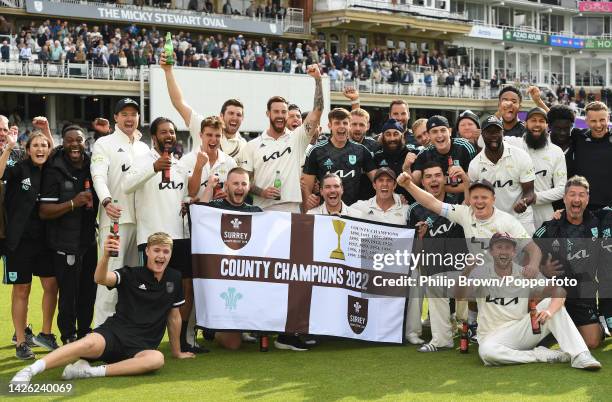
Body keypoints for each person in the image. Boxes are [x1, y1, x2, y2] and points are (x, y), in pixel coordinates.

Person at [10, 233, 195, 386]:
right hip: (113, 335)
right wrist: (105, 256)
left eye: (165, 251)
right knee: (84, 344)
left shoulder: (174, 277)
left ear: (170, 254)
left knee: (157, 360)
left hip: (142, 346)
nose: (161, 256)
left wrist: (177, 352)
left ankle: (90, 372)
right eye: (156, 250)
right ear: (147, 251)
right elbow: (100, 279)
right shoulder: (131, 273)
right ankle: (30, 370)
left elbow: (174, 317)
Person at [458, 232, 601, 370]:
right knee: (486, 352)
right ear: (491, 252)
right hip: (492, 337)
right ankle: (541, 355)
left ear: (514, 252)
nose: (503, 252)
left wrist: (549, 311)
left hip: (521, 331)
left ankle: (581, 355)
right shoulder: (480, 273)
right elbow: (460, 296)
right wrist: (466, 272)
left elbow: (560, 291)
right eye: (499, 247)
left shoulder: (525, 273)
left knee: (550, 305)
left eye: (508, 248)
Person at [122, 117, 203, 354]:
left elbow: (187, 194)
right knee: (148, 291)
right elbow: (127, 186)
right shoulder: (141, 160)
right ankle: (141, 340)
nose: (169, 136)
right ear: (154, 137)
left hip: (179, 235)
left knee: (185, 287)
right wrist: (153, 168)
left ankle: (183, 339)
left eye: (172, 132)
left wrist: (189, 201)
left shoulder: (178, 164)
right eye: (164, 132)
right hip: (151, 236)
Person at [91, 98, 150, 327]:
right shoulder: (104, 144)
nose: (129, 118)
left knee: (134, 280)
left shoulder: (144, 147)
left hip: (142, 224)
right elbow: (98, 175)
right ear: (115, 118)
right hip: (115, 220)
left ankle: (129, 332)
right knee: (109, 280)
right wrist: (106, 201)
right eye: (124, 113)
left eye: (133, 114)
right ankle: (100, 335)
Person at [0, 132, 58, 359]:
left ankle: (46, 333)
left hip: (45, 241)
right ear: (28, 149)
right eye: (36, 145)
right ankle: (21, 342)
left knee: (51, 285)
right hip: (19, 242)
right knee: (22, 289)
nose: (41, 149)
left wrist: (48, 135)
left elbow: (54, 151)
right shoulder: (19, 168)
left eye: (44, 145)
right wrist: (7, 149)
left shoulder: (52, 170)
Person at [39, 125, 98, 345]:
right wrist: (74, 203)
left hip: (88, 241)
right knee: (69, 295)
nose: (75, 144)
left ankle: (85, 332)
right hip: (64, 243)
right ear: (62, 143)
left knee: (88, 291)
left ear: (85, 142)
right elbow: (44, 211)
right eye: (70, 140)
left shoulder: (93, 164)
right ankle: (68, 336)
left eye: (79, 140)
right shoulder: (54, 168)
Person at [534, 176, 608, 349]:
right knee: (536, 341)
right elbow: (527, 255)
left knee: (592, 342)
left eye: (582, 195)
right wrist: (543, 268)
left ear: (588, 199)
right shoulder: (550, 227)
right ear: (564, 198)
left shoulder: (599, 221)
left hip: (584, 292)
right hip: (555, 291)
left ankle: (596, 324)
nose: (577, 199)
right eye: (572, 194)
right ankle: (555, 326)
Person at [240, 64, 323, 212]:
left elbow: (317, 111)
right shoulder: (252, 145)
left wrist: (318, 80)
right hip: (262, 210)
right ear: (268, 114)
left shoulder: (298, 138)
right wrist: (262, 192)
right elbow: (244, 180)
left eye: (283, 112)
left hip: (292, 209)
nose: (280, 115)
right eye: (276, 111)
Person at [408, 161, 467, 352]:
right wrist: (421, 238)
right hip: (434, 268)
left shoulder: (457, 200)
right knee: (430, 281)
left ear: (444, 179)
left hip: (462, 265)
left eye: (437, 175)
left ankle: (469, 328)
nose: (433, 180)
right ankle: (441, 339)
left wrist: (465, 178)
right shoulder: (415, 209)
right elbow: (414, 254)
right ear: (423, 183)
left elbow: (472, 198)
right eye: (428, 176)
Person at [486, 108, 566, 229]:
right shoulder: (513, 143)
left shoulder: (556, 151)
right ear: (525, 123)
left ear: (547, 125)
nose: (537, 124)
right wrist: (499, 113)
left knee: (544, 247)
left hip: (543, 213)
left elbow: (562, 188)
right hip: (514, 212)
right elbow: (483, 141)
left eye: (541, 121)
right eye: (533, 120)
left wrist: (535, 197)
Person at [160, 52, 246, 160]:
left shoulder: (244, 146)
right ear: (221, 116)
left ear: (242, 118)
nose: (234, 117)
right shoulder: (202, 126)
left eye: (238, 114)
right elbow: (178, 102)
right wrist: (168, 71)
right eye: (231, 113)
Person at [468, 115, 537, 234]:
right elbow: (475, 197)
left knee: (529, 252)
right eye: (489, 132)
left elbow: (530, 192)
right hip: (492, 221)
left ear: (502, 133)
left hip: (521, 218)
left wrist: (524, 201)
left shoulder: (521, 156)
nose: (494, 136)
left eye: (497, 132)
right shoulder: (474, 165)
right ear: (482, 135)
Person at [303, 108, 376, 207]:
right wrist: (308, 207)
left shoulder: (361, 150)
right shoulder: (316, 151)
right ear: (330, 126)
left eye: (345, 123)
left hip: (352, 211)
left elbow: (378, 181)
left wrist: (395, 198)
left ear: (349, 126)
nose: (342, 126)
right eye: (337, 123)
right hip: (325, 210)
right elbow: (306, 186)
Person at [410, 116, 476, 198]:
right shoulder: (424, 153)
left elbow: (473, 183)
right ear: (429, 135)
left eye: (443, 130)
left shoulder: (464, 147)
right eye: (434, 132)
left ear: (450, 131)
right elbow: (414, 183)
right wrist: (406, 167)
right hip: (436, 203)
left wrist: (440, 188)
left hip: (463, 202)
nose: (439, 135)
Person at [567, 101, 612, 210]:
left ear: (608, 118)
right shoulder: (578, 136)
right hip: (582, 206)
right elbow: (557, 119)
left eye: (602, 120)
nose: (598, 125)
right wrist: (539, 101)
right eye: (593, 121)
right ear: (586, 121)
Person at [180, 116, 237, 200]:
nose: (213, 139)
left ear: (222, 137)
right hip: (194, 213)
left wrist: (226, 196)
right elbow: (188, 193)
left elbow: (236, 193)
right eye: (209, 135)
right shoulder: (186, 161)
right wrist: (198, 166)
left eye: (217, 136)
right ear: (201, 135)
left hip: (220, 213)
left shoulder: (230, 163)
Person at [373, 119, 419, 200]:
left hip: (411, 204)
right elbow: (375, 185)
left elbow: (418, 185)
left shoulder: (413, 155)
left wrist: (407, 167)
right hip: (385, 204)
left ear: (402, 136)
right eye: (388, 134)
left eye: (396, 134)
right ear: (383, 137)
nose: (392, 138)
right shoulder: (377, 157)